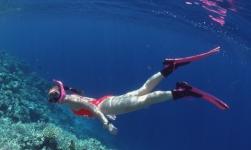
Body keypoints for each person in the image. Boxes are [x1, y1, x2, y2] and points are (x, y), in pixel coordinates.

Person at [47, 47, 229, 135]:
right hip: (108, 102)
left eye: (53, 97)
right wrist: (108, 113)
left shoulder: (70, 101)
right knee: (143, 90)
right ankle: (169, 67)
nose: (53, 101)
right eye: (51, 99)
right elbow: (92, 102)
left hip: (107, 106)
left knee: (145, 100)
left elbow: (92, 108)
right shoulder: (71, 97)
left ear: (60, 93)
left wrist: (106, 123)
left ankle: (181, 91)